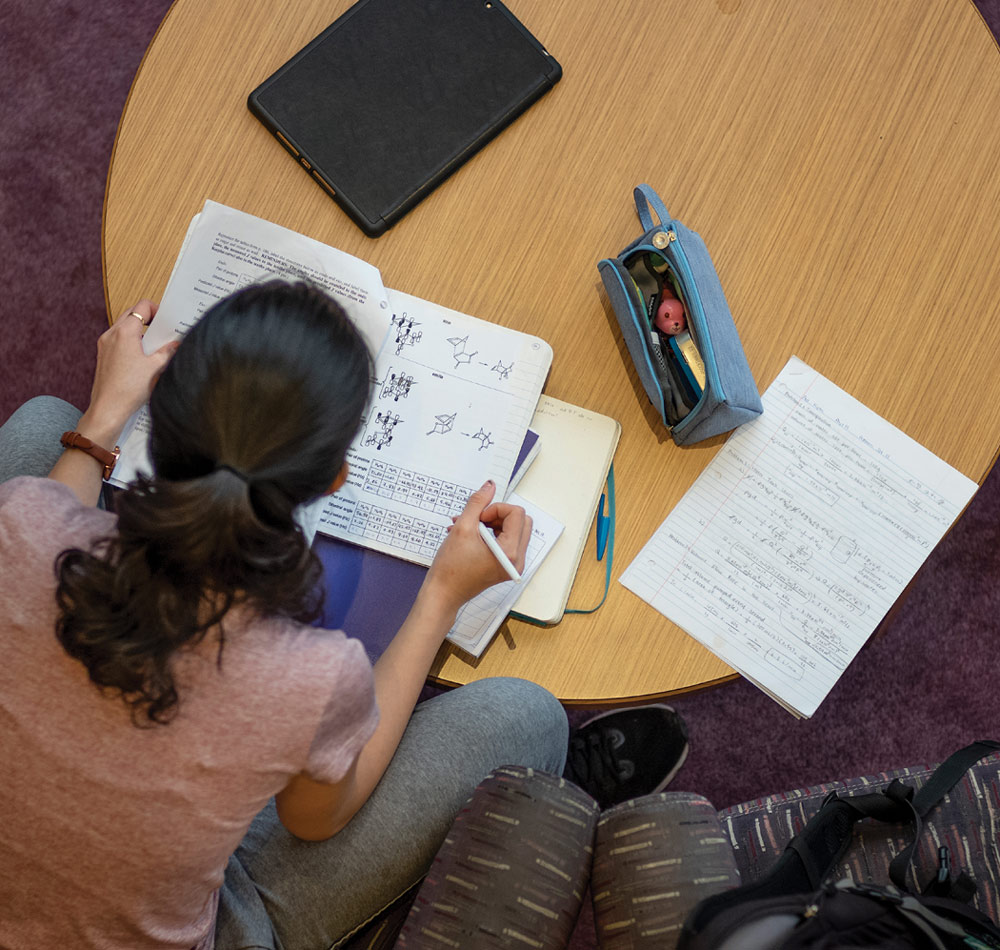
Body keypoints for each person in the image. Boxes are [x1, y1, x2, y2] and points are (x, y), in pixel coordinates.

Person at [0, 281, 570, 949]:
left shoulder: (22, 522)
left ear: (162, 414)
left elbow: (48, 514)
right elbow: (314, 820)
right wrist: (441, 597)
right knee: (528, 717)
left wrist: (103, 414)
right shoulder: (311, 678)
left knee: (45, 425)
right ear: (333, 480)